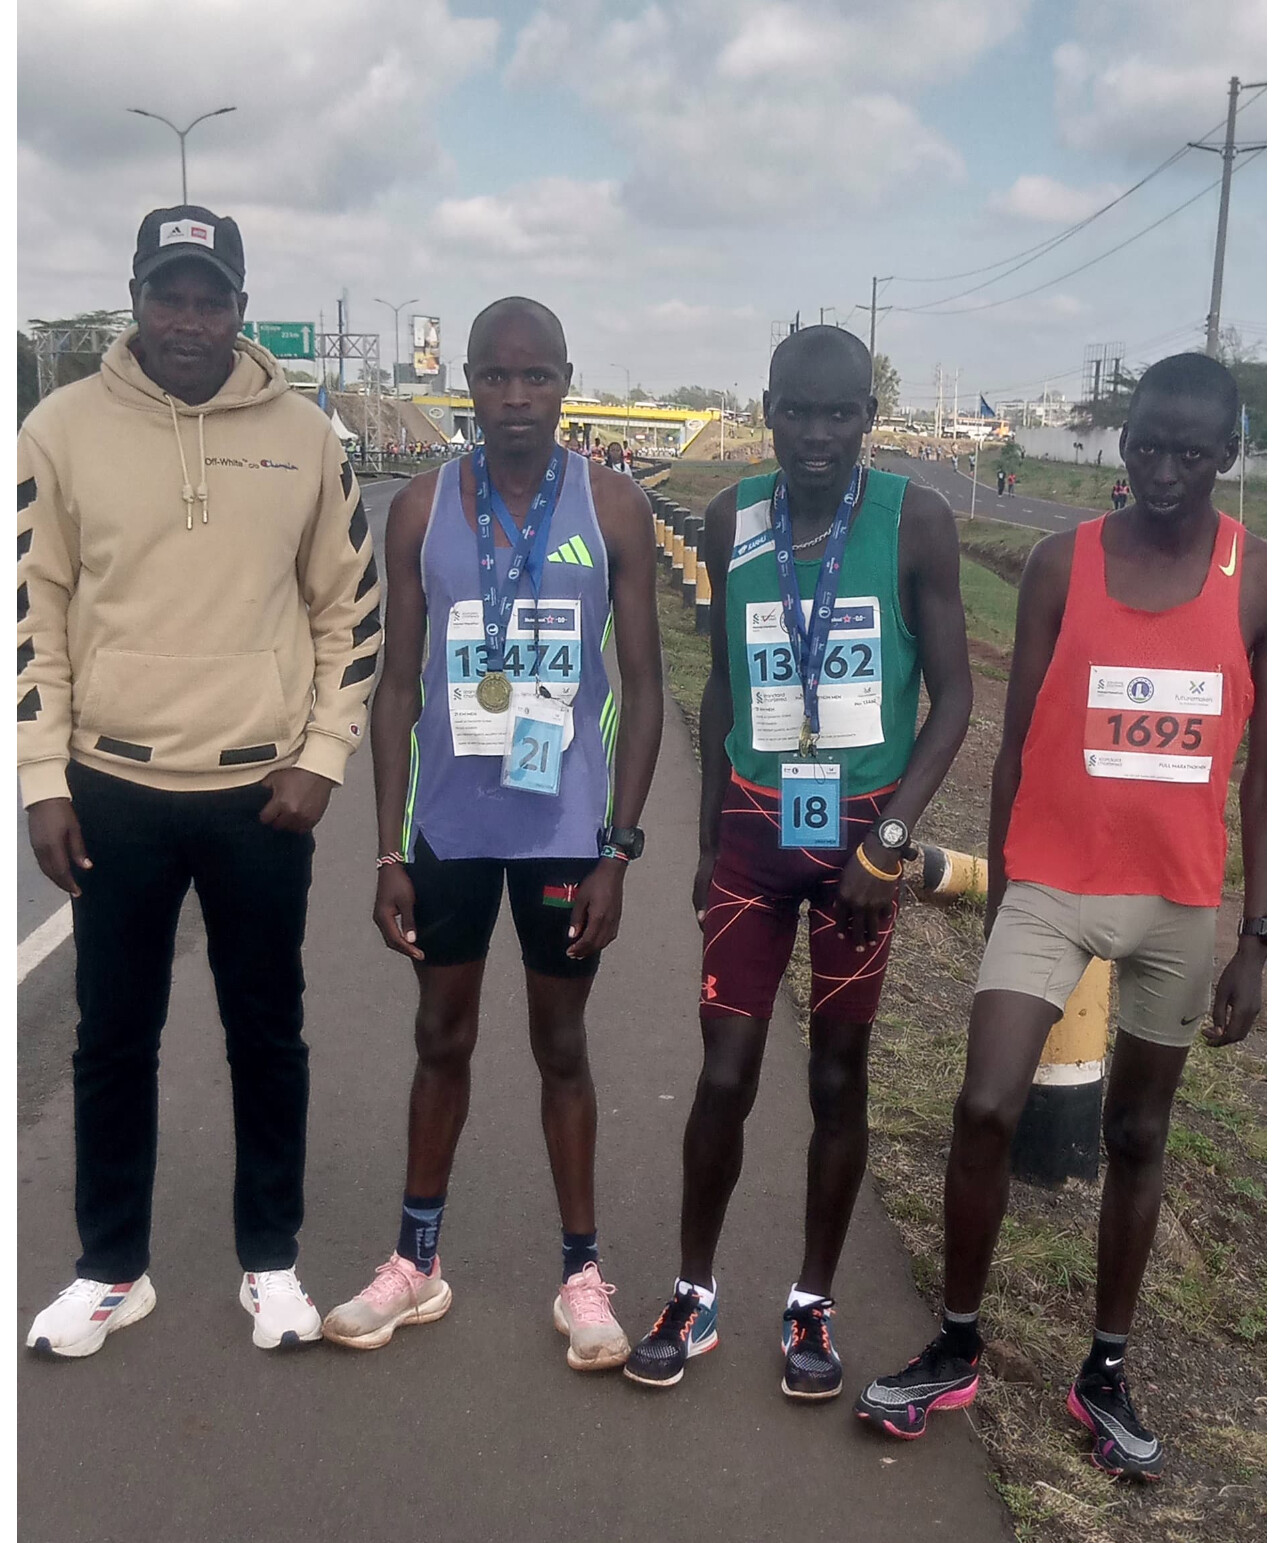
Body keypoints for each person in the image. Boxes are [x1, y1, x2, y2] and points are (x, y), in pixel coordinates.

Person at [858, 353, 1266, 1480]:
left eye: (1191, 453)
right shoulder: (1058, 562)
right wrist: (1003, 888)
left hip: (1179, 902)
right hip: (1048, 883)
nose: (1164, 471)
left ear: (1227, 454)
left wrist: (1258, 939)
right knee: (985, 1103)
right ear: (1121, 441)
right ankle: (955, 1343)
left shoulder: (1257, 583)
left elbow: (1263, 773)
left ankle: (1106, 1371)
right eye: (1147, 446)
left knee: (1137, 1133)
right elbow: (1019, 740)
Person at [19, 206, 381, 1357]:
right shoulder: (59, 429)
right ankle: (110, 1270)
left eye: (208, 297)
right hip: (111, 790)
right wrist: (41, 777)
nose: (187, 318)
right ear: (135, 298)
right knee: (111, 1040)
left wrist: (322, 757)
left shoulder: (306, 436)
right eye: (167, 295)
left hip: (260, 796)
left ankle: (269, 1262)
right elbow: (33, 611)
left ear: (239, 306)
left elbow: (350, 609)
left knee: (266, 1034)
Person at [624, 325, 972, 1399]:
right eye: (797, 411)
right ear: (766, 409)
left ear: (868, 416)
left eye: (840, 413)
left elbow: (955, 697)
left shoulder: (915, 520)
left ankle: (812, 1301)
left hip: (862, 845)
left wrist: (892, 841)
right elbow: (724, 684)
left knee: (836, 1073)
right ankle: (693, 1291)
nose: (816, 433)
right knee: (724, 1071)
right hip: (754, 837)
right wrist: (706, 838)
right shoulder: (733, 517)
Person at [322, 297, 664, 1370]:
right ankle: (415, 1260)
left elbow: (646, 687)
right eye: (496, 377)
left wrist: (619, 848)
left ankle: (582, 1276)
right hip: (452, 825)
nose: (516, 398)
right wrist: (388, 850)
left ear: (565, 381)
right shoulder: (424, 508)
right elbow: (395, 688)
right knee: (441, 1036)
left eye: (536, 377)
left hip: (565, 826)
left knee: (561, 1045)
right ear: (467, 382)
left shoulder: (613, 505)